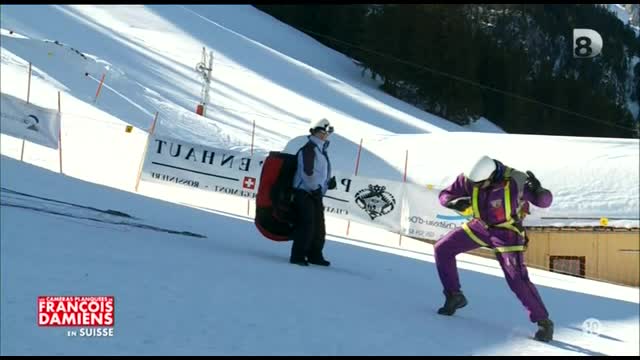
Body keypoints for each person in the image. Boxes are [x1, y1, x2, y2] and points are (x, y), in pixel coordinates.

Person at [434, 155, 555, 342]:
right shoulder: (469, 178)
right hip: (480, 226)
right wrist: (452, 202)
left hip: (507, 233)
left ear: (492, 176)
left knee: (516, 277)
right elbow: (444, 194)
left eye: (481, 184)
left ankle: (543, 321)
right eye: (474, 184)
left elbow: (544, 202)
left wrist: (541, 191)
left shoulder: (516, 180)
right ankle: (454, 295)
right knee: (443, 248)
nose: (476, 187)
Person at [285, 118, 337, 266]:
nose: (325, 136)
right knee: (306, 225)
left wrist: (327, 184)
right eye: (322, 132)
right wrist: (314, 188)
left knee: (319, 226)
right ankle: (298, 256)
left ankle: (315, 255)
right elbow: (307, 173)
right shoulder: (309, 149)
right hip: (304, 193)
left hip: (315, 193)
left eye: (327, 133)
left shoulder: (321, 150)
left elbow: (319, 173)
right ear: (314, 132)